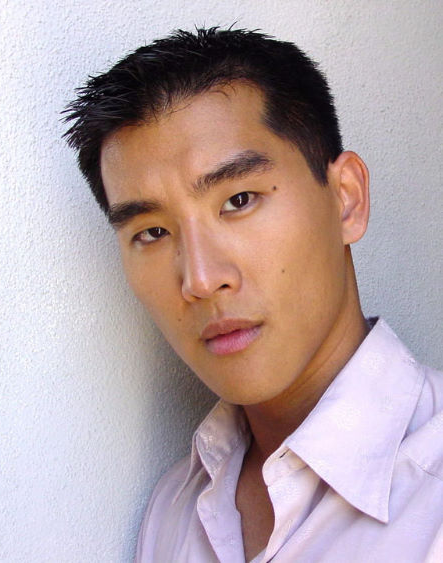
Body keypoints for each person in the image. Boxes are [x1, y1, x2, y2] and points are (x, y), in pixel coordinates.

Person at [63, 27, 442, 563]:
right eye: (152, 232)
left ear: (346, 200)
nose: (200, 279)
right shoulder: (174, 509)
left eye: (238, 200)